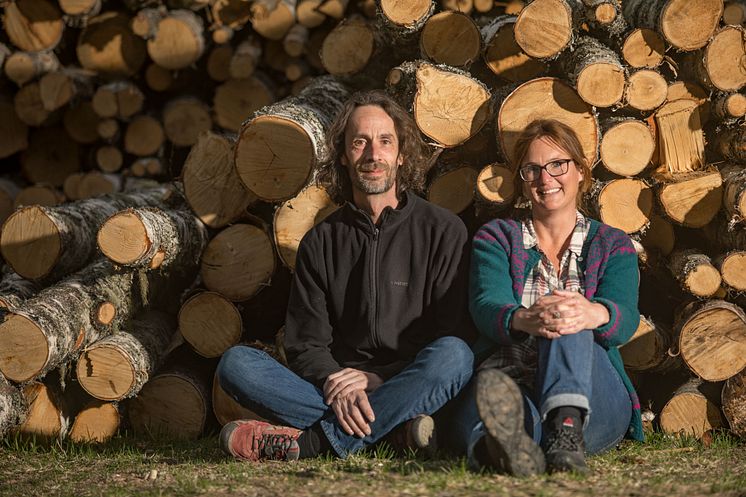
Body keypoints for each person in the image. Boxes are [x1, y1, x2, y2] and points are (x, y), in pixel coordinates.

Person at [216, 90, 474, 462]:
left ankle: (313, 444)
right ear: (342, 154)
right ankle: (396, 432)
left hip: (407, 379)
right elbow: (306, 346)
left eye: (385, 142)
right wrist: (338, 382)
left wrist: (378, 378)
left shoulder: (443, 231)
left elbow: (452, 333)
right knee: (236, 365)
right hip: (337, 389)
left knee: (455, 356)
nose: (373, 155)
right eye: (359, 142)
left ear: (401, 155)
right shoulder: (320, 241)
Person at [452, 119, 643, 475]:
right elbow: (486, 304)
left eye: (558, 164)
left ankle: (565, 431)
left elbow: (625, 318)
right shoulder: (497, 237)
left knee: (568, 313)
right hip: (513, 377)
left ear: (582, 172)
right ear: (522, 182)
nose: (545, 178)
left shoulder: (613, 243)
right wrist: (526, 319)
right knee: (490, 405)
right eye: (532, 169)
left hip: (592, 393)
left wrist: (591, 313)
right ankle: (505, 448)